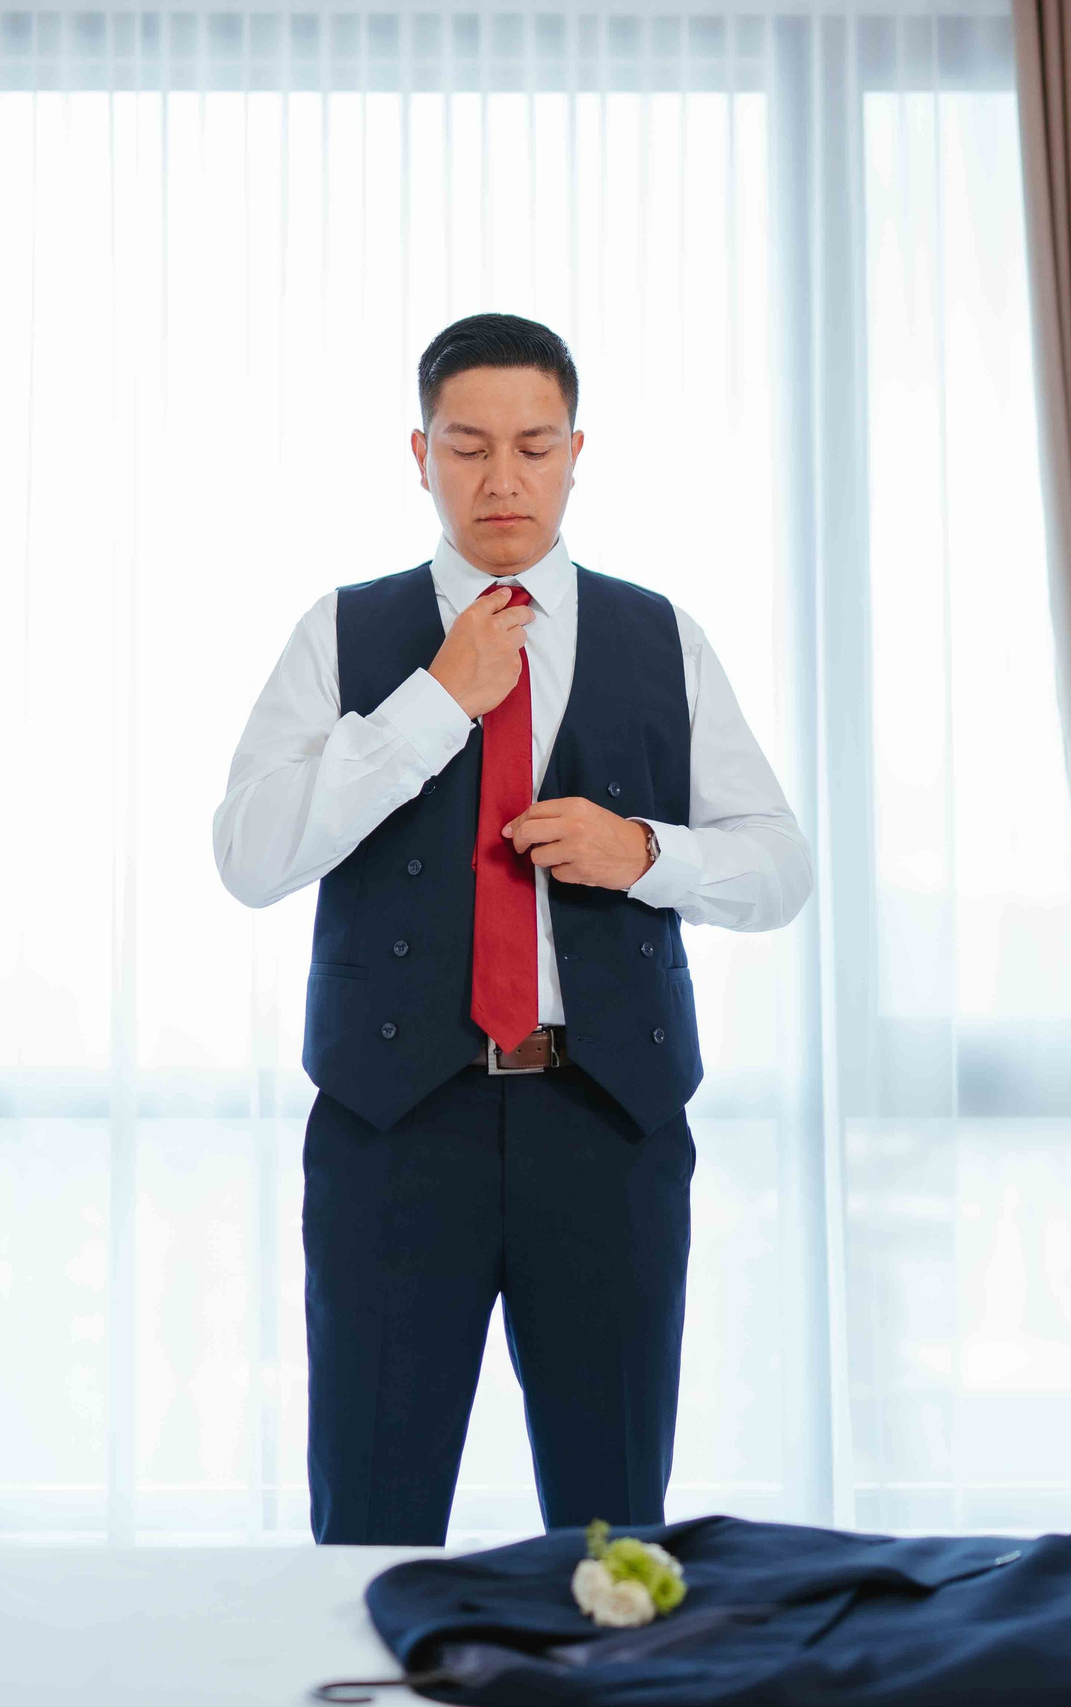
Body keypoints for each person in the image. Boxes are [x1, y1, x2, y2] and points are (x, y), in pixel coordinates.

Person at [213, 312, 811, 1545]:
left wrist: (643, 854)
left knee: (614, 1526)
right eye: (468, 445)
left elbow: (778, 868)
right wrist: (434, 702)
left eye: (534, 446)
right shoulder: (343, 632)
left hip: (608, 1128)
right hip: (392, 1133)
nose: (502, 479)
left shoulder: (663, 635)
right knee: (369, 1519)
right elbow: (250, 855)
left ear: (577, 451)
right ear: (418, 452)